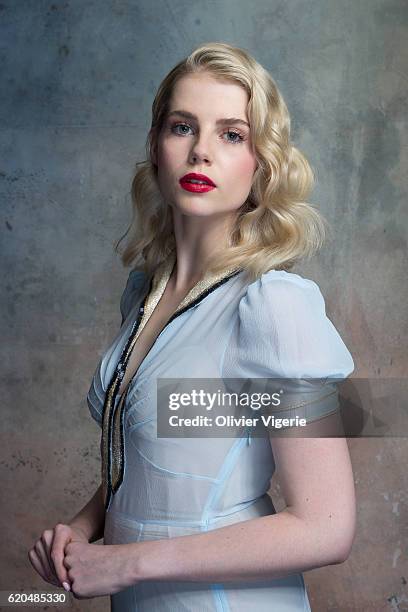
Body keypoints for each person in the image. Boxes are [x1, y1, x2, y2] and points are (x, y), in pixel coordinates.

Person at [28, 42, 356, 611]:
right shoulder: (144, 294)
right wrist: (82, 531)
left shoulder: (273, 306)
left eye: (232, 134)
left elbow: (326, 526)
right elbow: (161, 469)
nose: (201, 151)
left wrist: (126, 562)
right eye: (183, 127)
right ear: (156, 147)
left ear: (262, 164)